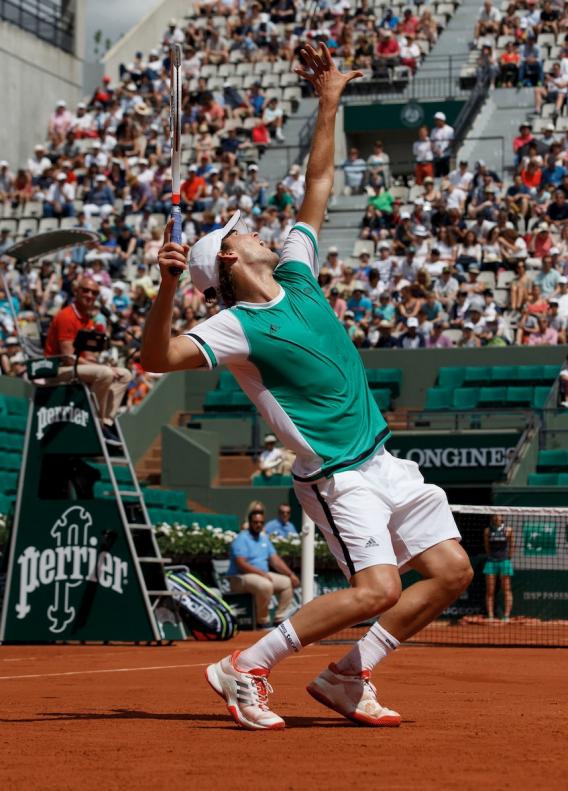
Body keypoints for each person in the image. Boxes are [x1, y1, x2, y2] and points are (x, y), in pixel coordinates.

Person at [141, 44, 472, 731]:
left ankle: (349, 674)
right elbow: (158, 356)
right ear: (229, 257)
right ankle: (246, 667)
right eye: (244, 230)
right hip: (337, 476)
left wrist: (329, 101)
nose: (261, 228)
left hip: (384, 458)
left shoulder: (296, 272)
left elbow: (316, 186)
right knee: (377, 588)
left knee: (451, 571)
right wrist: (169, 285)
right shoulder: (234, 327)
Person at [44, 276, 132, 446]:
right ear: (76, 291)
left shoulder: (88, 319)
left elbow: (88, 355)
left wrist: (104, 363)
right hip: (57, 370)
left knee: (124, 375)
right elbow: (69, 358)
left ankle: (106, 422)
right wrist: (102, 367)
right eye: (85, 290)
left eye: (94, 292)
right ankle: (97, 423)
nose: (90, 295)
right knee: (105, 373)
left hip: (77, 366)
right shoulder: (66, 316)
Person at [228, 508, 300, 629]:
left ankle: (279, 619)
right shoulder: (242, 538)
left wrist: (291, 574)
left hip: (261, 575)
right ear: (250, 523)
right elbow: (241, 564)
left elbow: (275, 560)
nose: (258, 525)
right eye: (255, 522)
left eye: (261, 522)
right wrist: (261, 573)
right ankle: (262, 621)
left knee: (287, 582)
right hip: (239, 578)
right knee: (265, 585)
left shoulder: (264, 538)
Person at [483, 514, 514, 622]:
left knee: (506, 589)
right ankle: (490, 616)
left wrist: (508, 558)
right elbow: (486, 546)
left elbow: (511, 545)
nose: (497, 518)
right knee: (490, 590)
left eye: (499, 516)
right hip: (491, 562)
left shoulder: (508, 530)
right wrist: (491, 557)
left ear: (502, 518)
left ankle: (506, 616)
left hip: (504, 562)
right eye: (495, 516)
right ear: (492, 518)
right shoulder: (487, 531)